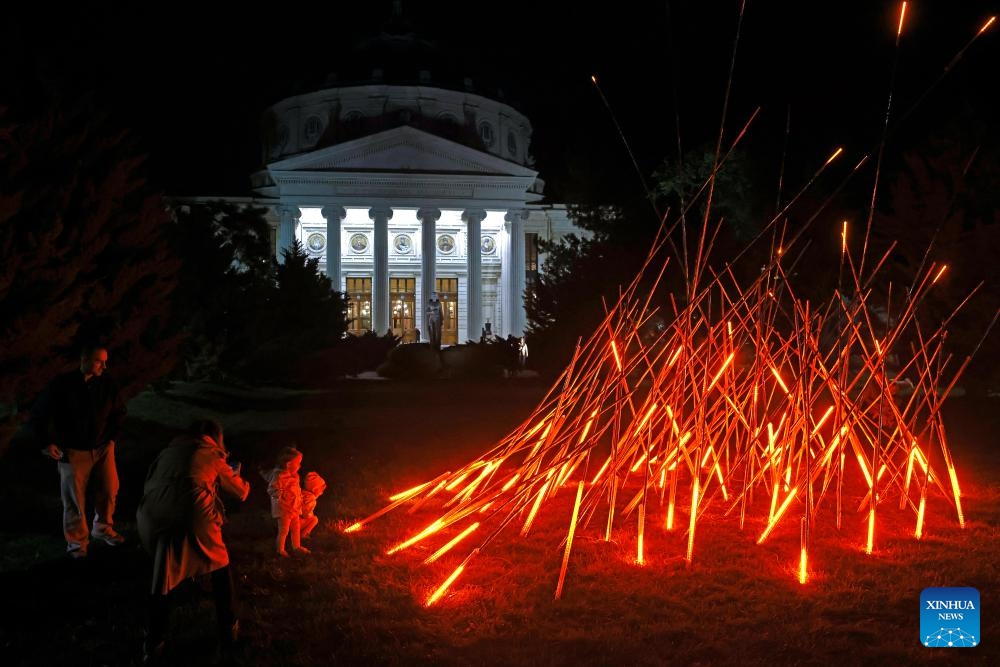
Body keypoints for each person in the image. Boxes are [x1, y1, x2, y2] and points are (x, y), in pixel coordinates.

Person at [136, 418, 250, 663]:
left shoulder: (167, 452)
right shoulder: (211, 454)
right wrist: (234, 472)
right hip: (191, 514)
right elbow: (241, 491)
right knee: (220, 566)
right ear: (214, 437)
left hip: (151, 516)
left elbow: (150, 483)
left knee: (163, 576)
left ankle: (153, 642)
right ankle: (229, 630)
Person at [30, 342, 127, 558]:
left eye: (105, 361)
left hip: (102, 447)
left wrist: (111, 439)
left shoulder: (107, 384)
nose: (104, 366)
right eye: (99, 361)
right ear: (84, 360)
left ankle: (102, 527)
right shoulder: (62, 385)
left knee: (110, 488)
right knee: (74, 498)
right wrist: (46, 442)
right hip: (73, 450)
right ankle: (77, 544)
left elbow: (119, 412)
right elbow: (39, 414)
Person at [260, 447, 310, 556]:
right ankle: (280, 550)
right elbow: (272, 489)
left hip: (295, 508)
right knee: (284, 530)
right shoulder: (279, 476)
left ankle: (296, 546)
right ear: (288, 464)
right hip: (284, 509)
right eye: (297, 463)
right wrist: (280, 494)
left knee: (296, 528)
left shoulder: (295, 476)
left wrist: (300, 498)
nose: (299, 466)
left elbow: (296, 490)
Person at [300, 471, 328, 540]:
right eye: (321, 490)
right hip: (297, 522)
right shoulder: (310, 499)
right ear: (315, 489)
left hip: (288, 521)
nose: (322, 493)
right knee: (314, 519)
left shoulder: (301, 493)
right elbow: (306, 513)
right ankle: (303, 534)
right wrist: (310, 516)